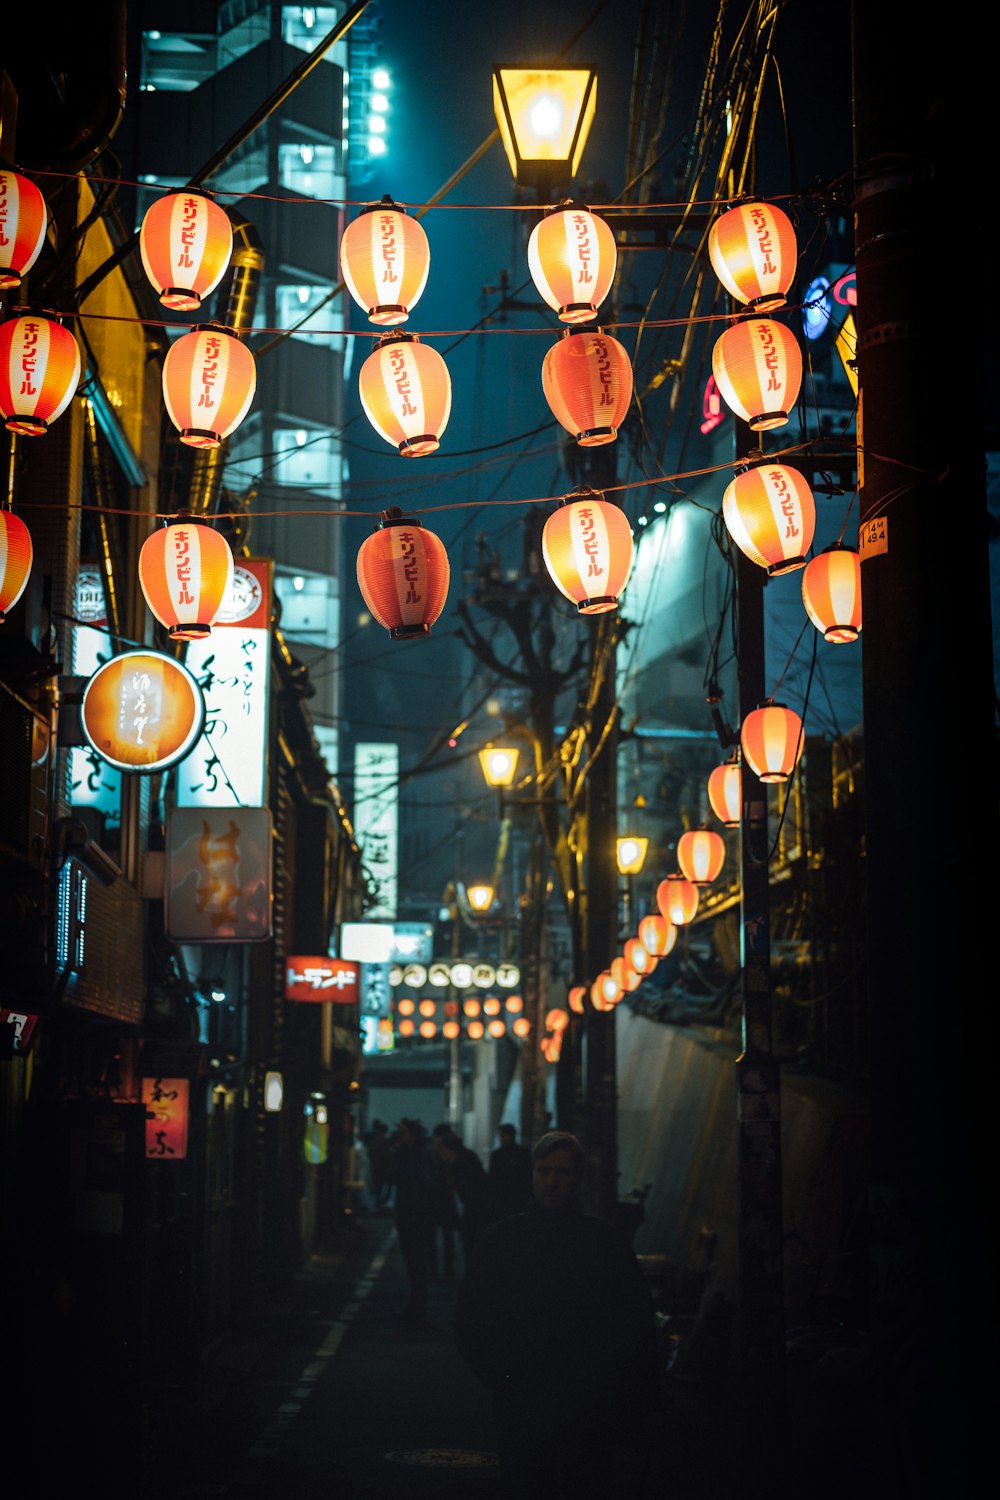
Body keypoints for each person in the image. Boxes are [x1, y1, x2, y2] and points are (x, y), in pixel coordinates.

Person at [455, 1131, 659, 1500]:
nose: (552, 1181)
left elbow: (634, 1326)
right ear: (532, 1174)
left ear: (577, 1177)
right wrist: (504, 1379)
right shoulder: (506, 1241)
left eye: (562, 1172)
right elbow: (471, 1320)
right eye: (545, 1171)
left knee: (570, 1482)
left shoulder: (599, 1244)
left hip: (582, 1401)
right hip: (532, 1398)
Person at [389, 1118, 435, 1321]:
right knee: (415, 1262)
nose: (401, 1136)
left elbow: (406, 1180)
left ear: (412, 1135)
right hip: (414, 1214)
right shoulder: (419, 1154)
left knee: (415, 1261)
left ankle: (417, 1308)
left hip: (413, 1214)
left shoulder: (413, 1155)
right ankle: (417, 1306)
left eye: (404, 1132)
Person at [432, 1129, 491, 1263]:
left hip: (476, 1212)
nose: (439, 1152)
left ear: (450, 1149)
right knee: (468, 1246)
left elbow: (477, 1190)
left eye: (441, 1149)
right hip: (464, 1211)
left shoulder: (466, 1162)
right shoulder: (448, 1165)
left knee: (473, 1246)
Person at [487, 1122, 533, 1222]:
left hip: (515, 1197)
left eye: (504, 1135)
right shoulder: (521, 1153)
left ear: (512, 1136)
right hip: (507, 1197)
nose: (502, 1138)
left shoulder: (520, 1154)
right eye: (501, 1136)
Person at [364, 1119, 393, 1209]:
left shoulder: (374, 1141)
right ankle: (380, 1202)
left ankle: (377, 1202)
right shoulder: (385, 1141)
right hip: (383, 1167)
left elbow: (371, 1153)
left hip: (376, 1166)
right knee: (383, 1186)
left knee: (377, 1186)